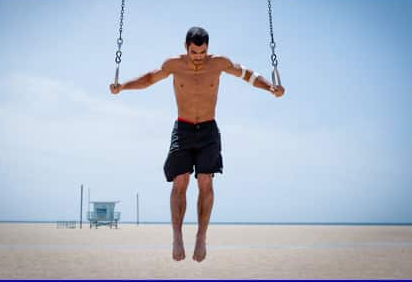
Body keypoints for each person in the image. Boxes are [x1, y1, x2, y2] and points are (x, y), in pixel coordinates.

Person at [109, 26, 285, 262]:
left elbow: (247, 75)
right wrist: (123, 86)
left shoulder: (219, 63)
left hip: (208, 129)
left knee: (205, 181)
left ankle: (201, 236)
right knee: (179, 180)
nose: (198, 57)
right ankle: (177, 236)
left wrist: (270, 87)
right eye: (194, 52)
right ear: (186, 47)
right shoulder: (174, 65)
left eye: (202, 52)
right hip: (183, 128)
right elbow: (149, 78)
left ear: (207, 49)